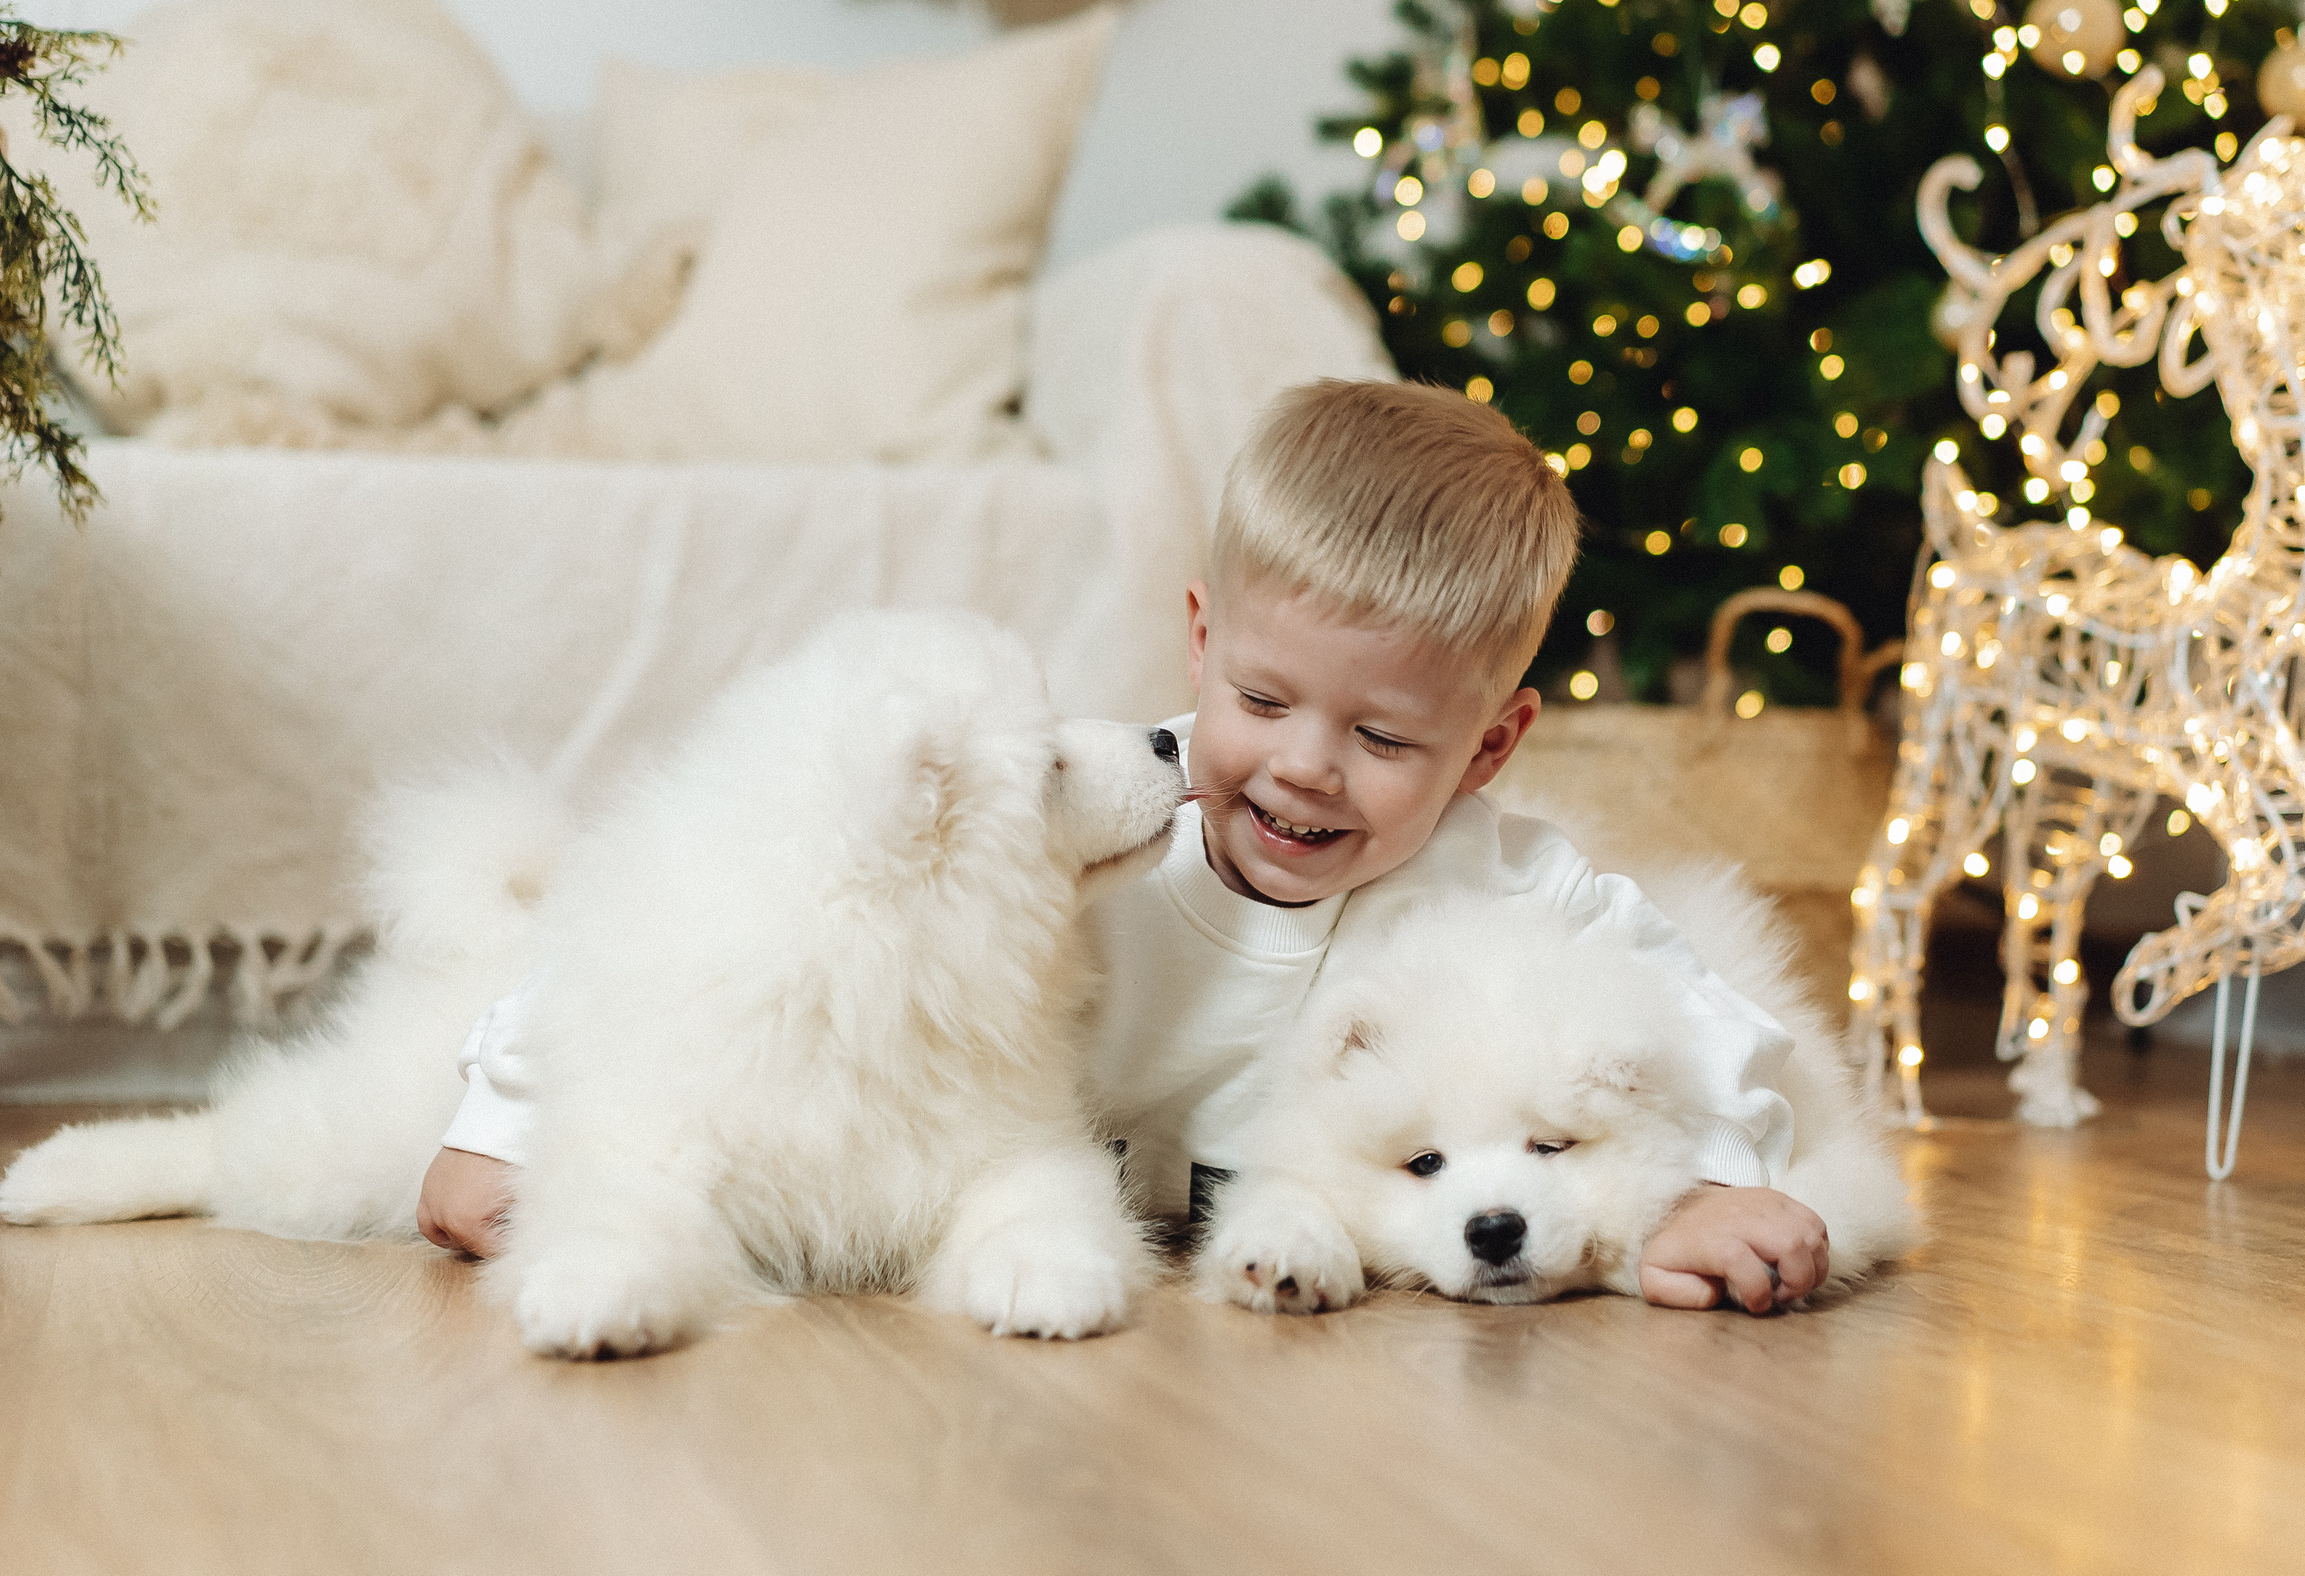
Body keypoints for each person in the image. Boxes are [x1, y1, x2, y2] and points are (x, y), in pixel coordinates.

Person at [418, 379, 1830, 1311]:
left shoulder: (1508, 887)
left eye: (1383, 738)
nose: (1304, 767)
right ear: (1202, 639)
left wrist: (1714, 1184)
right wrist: (502, 1128)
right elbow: (707, 935)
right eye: (1262, 702)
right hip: (1022, 1217)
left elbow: (1688, 1022)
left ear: (1491, 746)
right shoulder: (1095, 822)